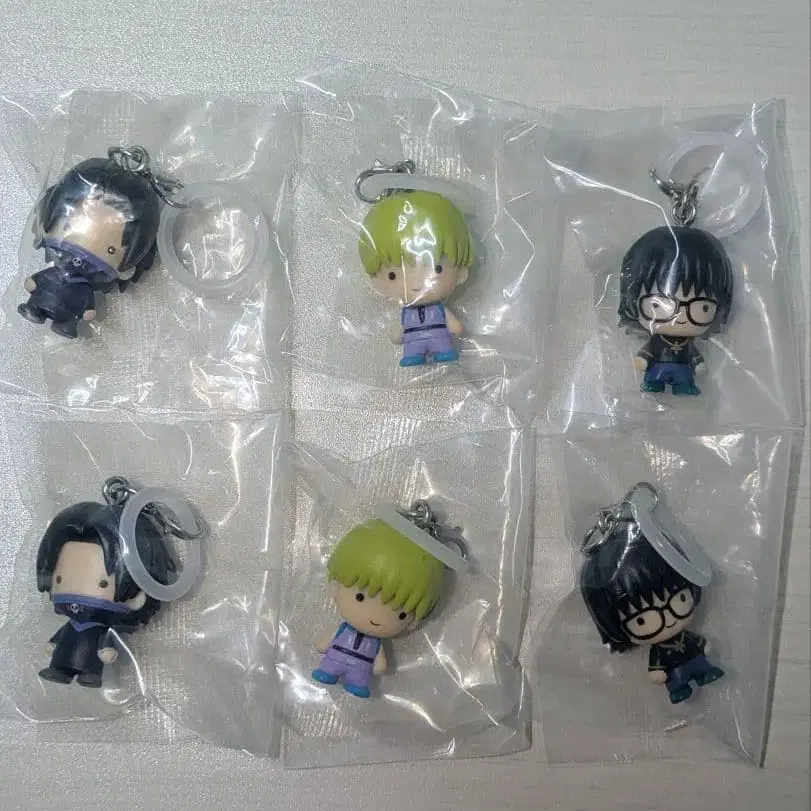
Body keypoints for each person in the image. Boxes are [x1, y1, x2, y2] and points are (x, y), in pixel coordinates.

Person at [359, 190, 474, 366]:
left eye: (437, 268)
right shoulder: (408, 312)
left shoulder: (438, 309)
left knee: (444, 348)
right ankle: (414, 355)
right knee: (413, 352)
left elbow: (455, 327)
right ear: (376, 282)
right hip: (413, 343)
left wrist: (455, 327)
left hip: (440, 339)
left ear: (460, 273)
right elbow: (397, 334)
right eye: (392, 275)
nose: (417, 284)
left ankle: (444, 351)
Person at [618, 225, 733, 395]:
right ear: (633, 299)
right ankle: (653, 385)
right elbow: (648, 351)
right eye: (658, 304)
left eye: (703, 307)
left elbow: (695, 356)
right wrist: (642, 359)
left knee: (684, 382)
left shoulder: (688, 343)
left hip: (683, 370)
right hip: (657, 368)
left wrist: (699, 364)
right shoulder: (657, 339)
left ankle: (684, 388)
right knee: (654, 380)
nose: (680, 316)